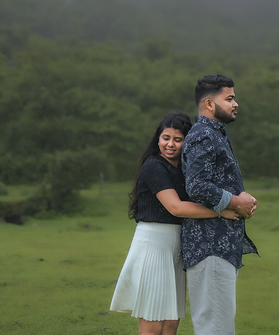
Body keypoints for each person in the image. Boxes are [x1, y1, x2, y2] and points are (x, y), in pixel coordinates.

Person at [110, 111, 242, 335]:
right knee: (153, 325)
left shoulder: (184, 170)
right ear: (158, 139)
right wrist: (221, 211)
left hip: (177, 251)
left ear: (186, 142)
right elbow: (176, 207)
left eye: (178, 139)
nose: (170, 144)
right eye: (166, 138)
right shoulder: (154, 166)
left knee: (171, 325)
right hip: (153, 247)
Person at [181, 74, 258, 335]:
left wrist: (243, 201)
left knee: (218, 325)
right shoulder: (204, 135)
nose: (236, 104)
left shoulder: (215, 134)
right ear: (209, 104)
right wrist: (236, 201)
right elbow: (197, 185)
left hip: (220, 246)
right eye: (229, 99)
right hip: (210, 245)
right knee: (215, 328)